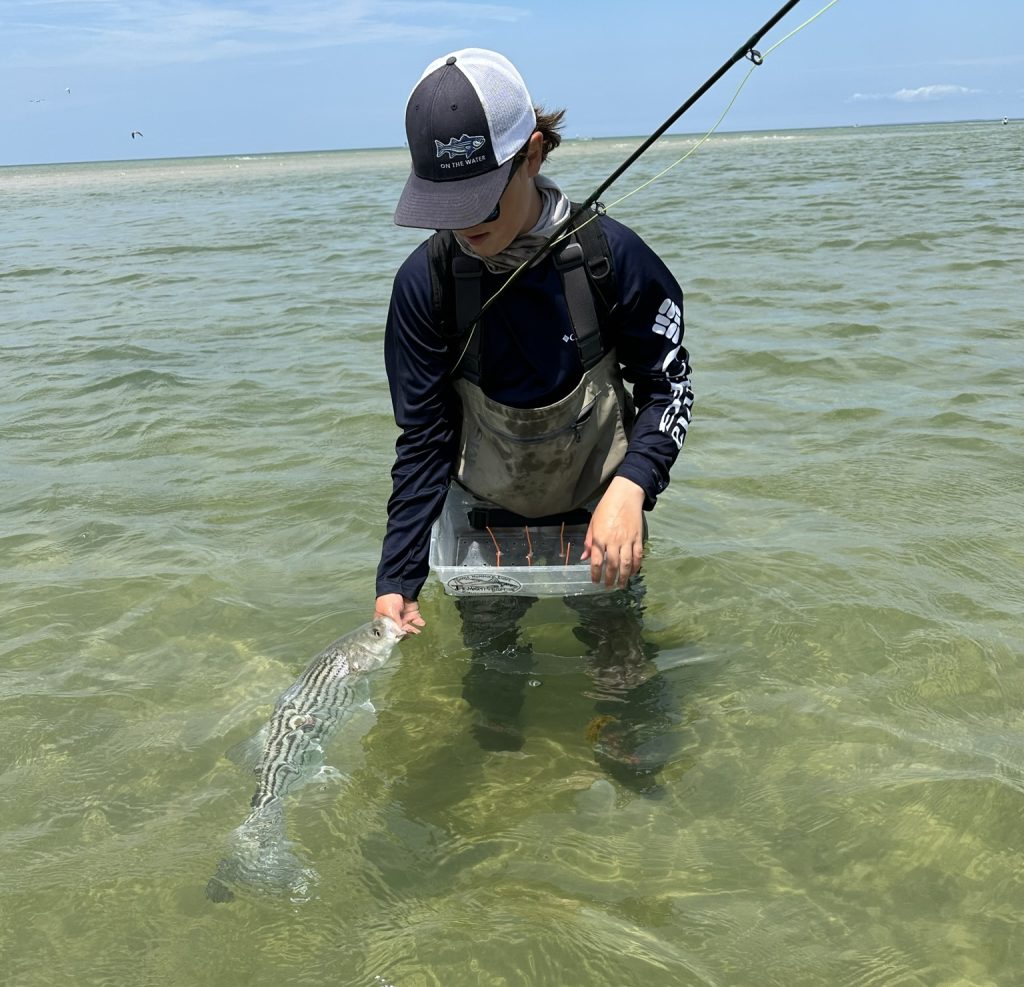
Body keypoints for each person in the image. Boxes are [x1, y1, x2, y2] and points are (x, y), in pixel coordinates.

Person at [373, 49, 693, 785]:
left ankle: (626, 767)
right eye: (444, 207)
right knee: (494, 680)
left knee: (619, 657)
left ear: (534, 153)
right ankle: (504, 776)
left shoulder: (612, 259)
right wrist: (399, 574)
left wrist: (633, 486)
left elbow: (670, 386)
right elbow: (423, 439)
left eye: (480, 200)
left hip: (599, 505)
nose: (464, 225)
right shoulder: (424, 286)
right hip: (483, 510)